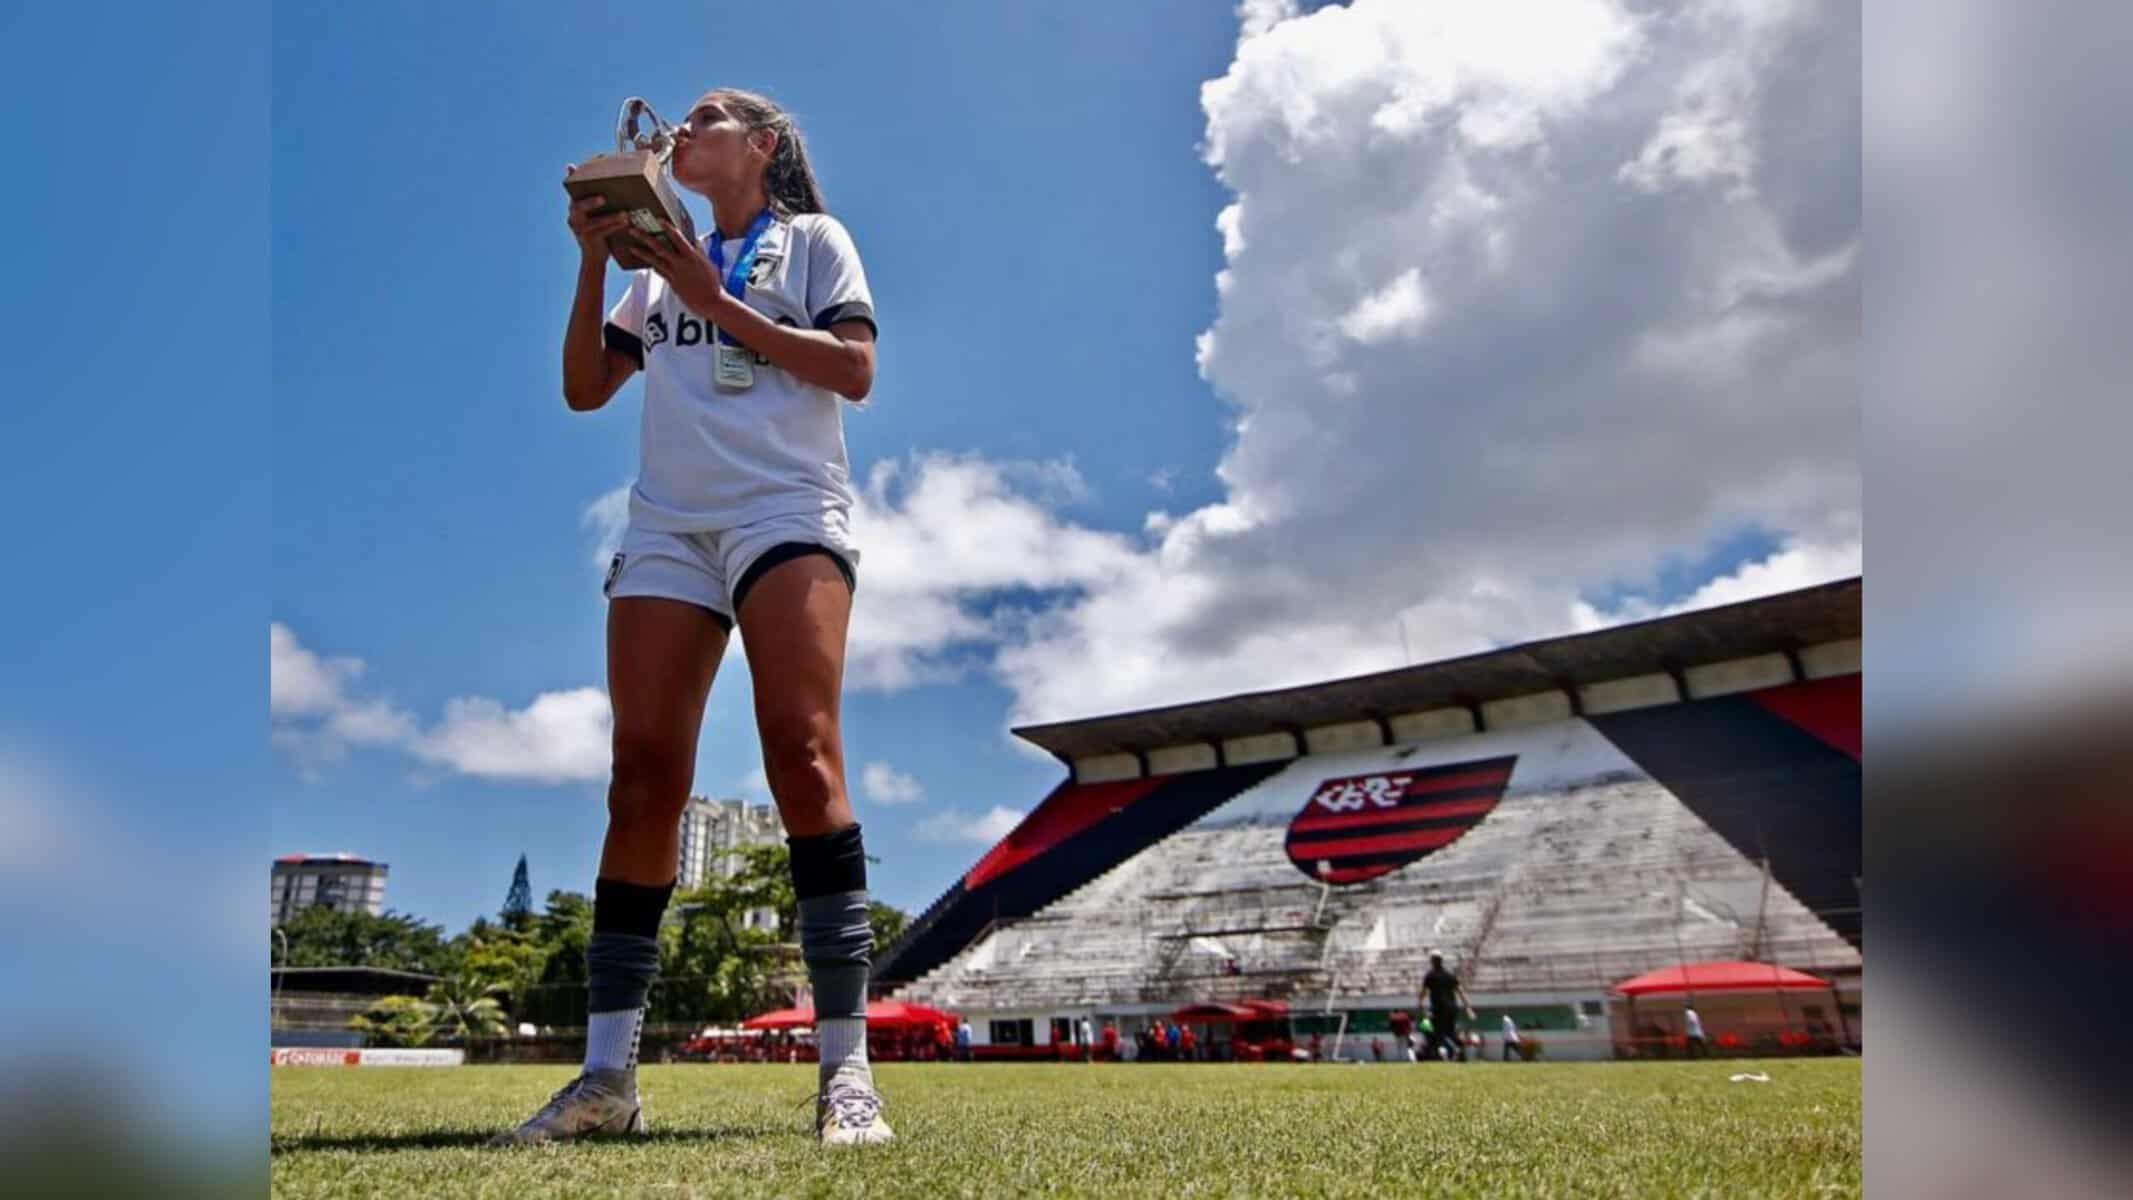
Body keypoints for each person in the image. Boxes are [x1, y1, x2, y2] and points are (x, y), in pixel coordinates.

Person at [494, 88, 886, 1150]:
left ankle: (845, 1073)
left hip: (785, 508)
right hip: (669, 523)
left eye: (712, 113)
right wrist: (594, 259)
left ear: (762, 146)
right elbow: (585, 391)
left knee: (802, 755)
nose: (687, 122)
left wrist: (713, 297)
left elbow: (854, 370)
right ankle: (606, 1078)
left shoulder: (810, 240)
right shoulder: (659, 259)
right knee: (642, 778)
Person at [1420, 953, 1473, 1062]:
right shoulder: (1450, 975)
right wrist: (1468, 1008)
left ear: (1433, 962)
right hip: (1452, 1009)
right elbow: (1460, 992)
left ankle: (1454, 1050)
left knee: (1438, 1034)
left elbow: (1423, 993)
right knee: (1451, 1032)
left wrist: (1421, 1006)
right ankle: (1458, 1052)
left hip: (1438, 1009)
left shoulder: (1430, 976)